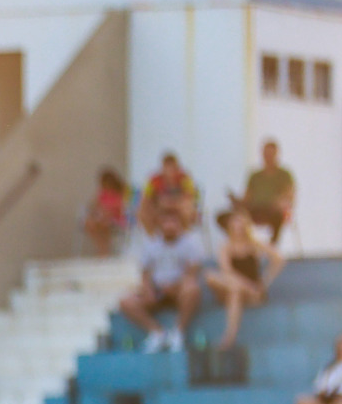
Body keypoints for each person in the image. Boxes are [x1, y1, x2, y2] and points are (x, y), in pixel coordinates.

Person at [119, 209, 206, 353]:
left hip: (179, 290)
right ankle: (157, 332)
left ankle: (178, 333)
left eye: (173, 221)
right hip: (157, 290)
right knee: (126, 302)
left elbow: (193, 271)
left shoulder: (190, 243)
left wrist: (175, 286)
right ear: (159, 224)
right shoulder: (150, 245)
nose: (169, 225)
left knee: (192, 290)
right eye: (165, 222)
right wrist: (148, 290)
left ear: (180, 224)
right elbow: (145, 272)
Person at [205, 210, 284, 352]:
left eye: (241, 222)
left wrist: (265, 281)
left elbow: (279, 258)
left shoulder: (254, 244)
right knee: (211, 276)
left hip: (251, 293)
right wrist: (247, 286)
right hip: (237, 287)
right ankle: (229, 337)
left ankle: (229, 338)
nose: (238, 226)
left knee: (235, 293)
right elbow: (227, 271)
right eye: (235, 222)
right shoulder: (226, 246)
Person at [228, 139, 295, 245]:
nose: (268, 157)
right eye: (266, 153)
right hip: (254, 210)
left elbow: (289, 195)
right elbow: (246, 198)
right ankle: (239, 248)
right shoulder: (254, 176)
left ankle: (272, 248)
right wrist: (236, 201)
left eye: (271, 154)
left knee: (278, 215)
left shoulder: (284, 175)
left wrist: (280, 203)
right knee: (228, 217)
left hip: (273, 210)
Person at [138, 151, 199, 232]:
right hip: (159, 208)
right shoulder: (154, 180)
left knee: (187, 209)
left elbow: (190, 196)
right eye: (167, 167)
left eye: (172, 168)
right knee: (143, 212)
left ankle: (184, 237)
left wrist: (174, 203)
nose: (170, 171)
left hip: (178, 207)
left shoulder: (185, 178)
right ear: (162, 168)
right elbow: (145, 199)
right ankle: (152, 239)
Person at [83, 168, 129, 257]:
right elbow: (92, 205)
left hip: (116, 219)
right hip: (103, 218)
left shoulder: (120, 192)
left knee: (103, 223)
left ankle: (104, 250)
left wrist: (106, 211)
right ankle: (101, 248)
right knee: (90, 223)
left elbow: (120, 208)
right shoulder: (103, 193)